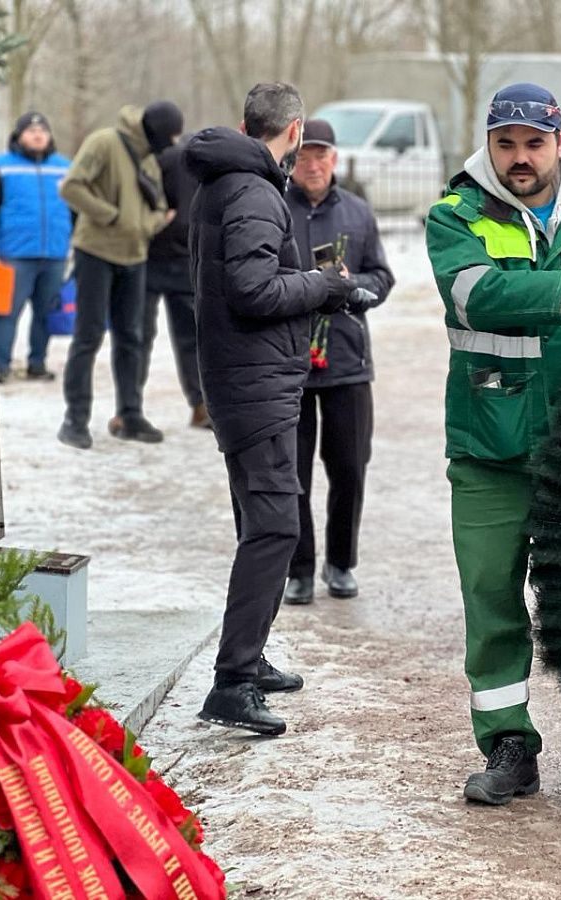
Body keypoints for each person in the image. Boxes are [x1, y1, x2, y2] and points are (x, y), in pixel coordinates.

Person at [427, 82, 561, 805]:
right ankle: (510, 745)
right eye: (506, 143)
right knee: (491, 596)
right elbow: (475, 295)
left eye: (534, 143)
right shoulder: (454, 215)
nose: (520, 158)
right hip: (490, 449)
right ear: (488, 144)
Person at [189, 83, 355, 736]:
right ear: (294, 131)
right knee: (276, 527)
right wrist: (323, 285)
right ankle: (233, 681)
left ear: (244, 124)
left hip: (240, 378)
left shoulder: (226, 182)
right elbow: (254, 290)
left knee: (261, 522)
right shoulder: (254, 190)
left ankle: (247, 660)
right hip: (252, 382)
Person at [283, 119, 395, 604]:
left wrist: (354, 289)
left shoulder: (357, 212)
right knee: (292, 472)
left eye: (320, 155)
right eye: (304, 155)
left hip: (348, 361)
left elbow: (383, 278)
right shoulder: (275, 208)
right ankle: (299, 570)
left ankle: (341, 563)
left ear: (334, 159)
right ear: (293, 159)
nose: (312, 165)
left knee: (349, 467)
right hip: (289, 362)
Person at [56, 101, 182, 450]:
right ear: (154, 131)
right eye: (168, 137)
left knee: (132, 338)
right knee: (88, 336)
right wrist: (110, 216)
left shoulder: (149, 157)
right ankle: (75, 419)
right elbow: (71, 187)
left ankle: (130, 415)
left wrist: (149, 224)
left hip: (135, 256)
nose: (169, 146)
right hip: (95, 251)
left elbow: (156, 205)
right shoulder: (104, 142)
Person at [0, 111, 71, 384]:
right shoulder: (1, 166)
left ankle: (37, 363)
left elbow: (78, 208)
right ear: (19, 135)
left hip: (55, 253)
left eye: (43, 131)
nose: (38, 135)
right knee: (8, 312)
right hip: (15, 254)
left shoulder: (65, 167)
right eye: (31, 131)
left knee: (46, 313)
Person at [141, 129, 210, 429]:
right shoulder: (198, 158)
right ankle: (200, 403)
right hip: (186, 257)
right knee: (191, 339)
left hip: (150, 254)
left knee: (137, 336)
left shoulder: (150, 161)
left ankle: (130, 406)